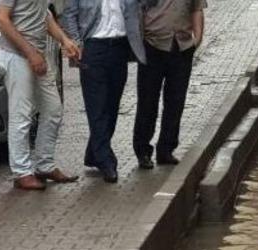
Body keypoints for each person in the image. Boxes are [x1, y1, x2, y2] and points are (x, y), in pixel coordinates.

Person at [0, 0, 81, 190]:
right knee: (22, 116)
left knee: (53, 110)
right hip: (17, 56)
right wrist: (30, 53)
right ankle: (22, 172)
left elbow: (44, 15)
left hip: (39, 55)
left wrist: (64, 40)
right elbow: (1, 19)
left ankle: (45, 165)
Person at [62, 0, 147, 183]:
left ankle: (94, 153)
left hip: (119, 47)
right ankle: (106, 160)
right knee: (97, 107)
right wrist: (76, 43)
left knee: (112, 106)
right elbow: (69, 15)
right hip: (93, 48)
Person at [132, 0, 205, 169]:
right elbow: (135, 11)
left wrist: (197, 38)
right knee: (148, 101)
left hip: (182, 46)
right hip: (152, 46)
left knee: (175, 101)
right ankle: (143, 151)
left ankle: (166, 149)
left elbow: (197, 9)